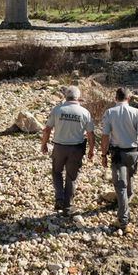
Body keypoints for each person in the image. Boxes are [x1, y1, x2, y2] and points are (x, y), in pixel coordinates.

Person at [100, 87, 138, 234]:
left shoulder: (110, 113)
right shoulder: (136, 112)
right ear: (128, 98)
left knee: (120, 185)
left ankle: (123, 220)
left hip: (118, 154)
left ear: (115, 98)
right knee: (129, 177)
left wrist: (103, 155)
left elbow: (105, 136)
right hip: (134, 153)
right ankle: (127, 201)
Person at [41, 86, 95, 216]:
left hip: (59, 147)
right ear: (78, 97)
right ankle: (68, 207)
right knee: (71, 177)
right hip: (76, 148)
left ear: (66, 96)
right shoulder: (84, 112)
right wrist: (91, 149)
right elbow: (90, 134)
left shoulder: (58, 110)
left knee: (56, 171)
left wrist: (44, 143)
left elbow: (47, 129)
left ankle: (59, 198)